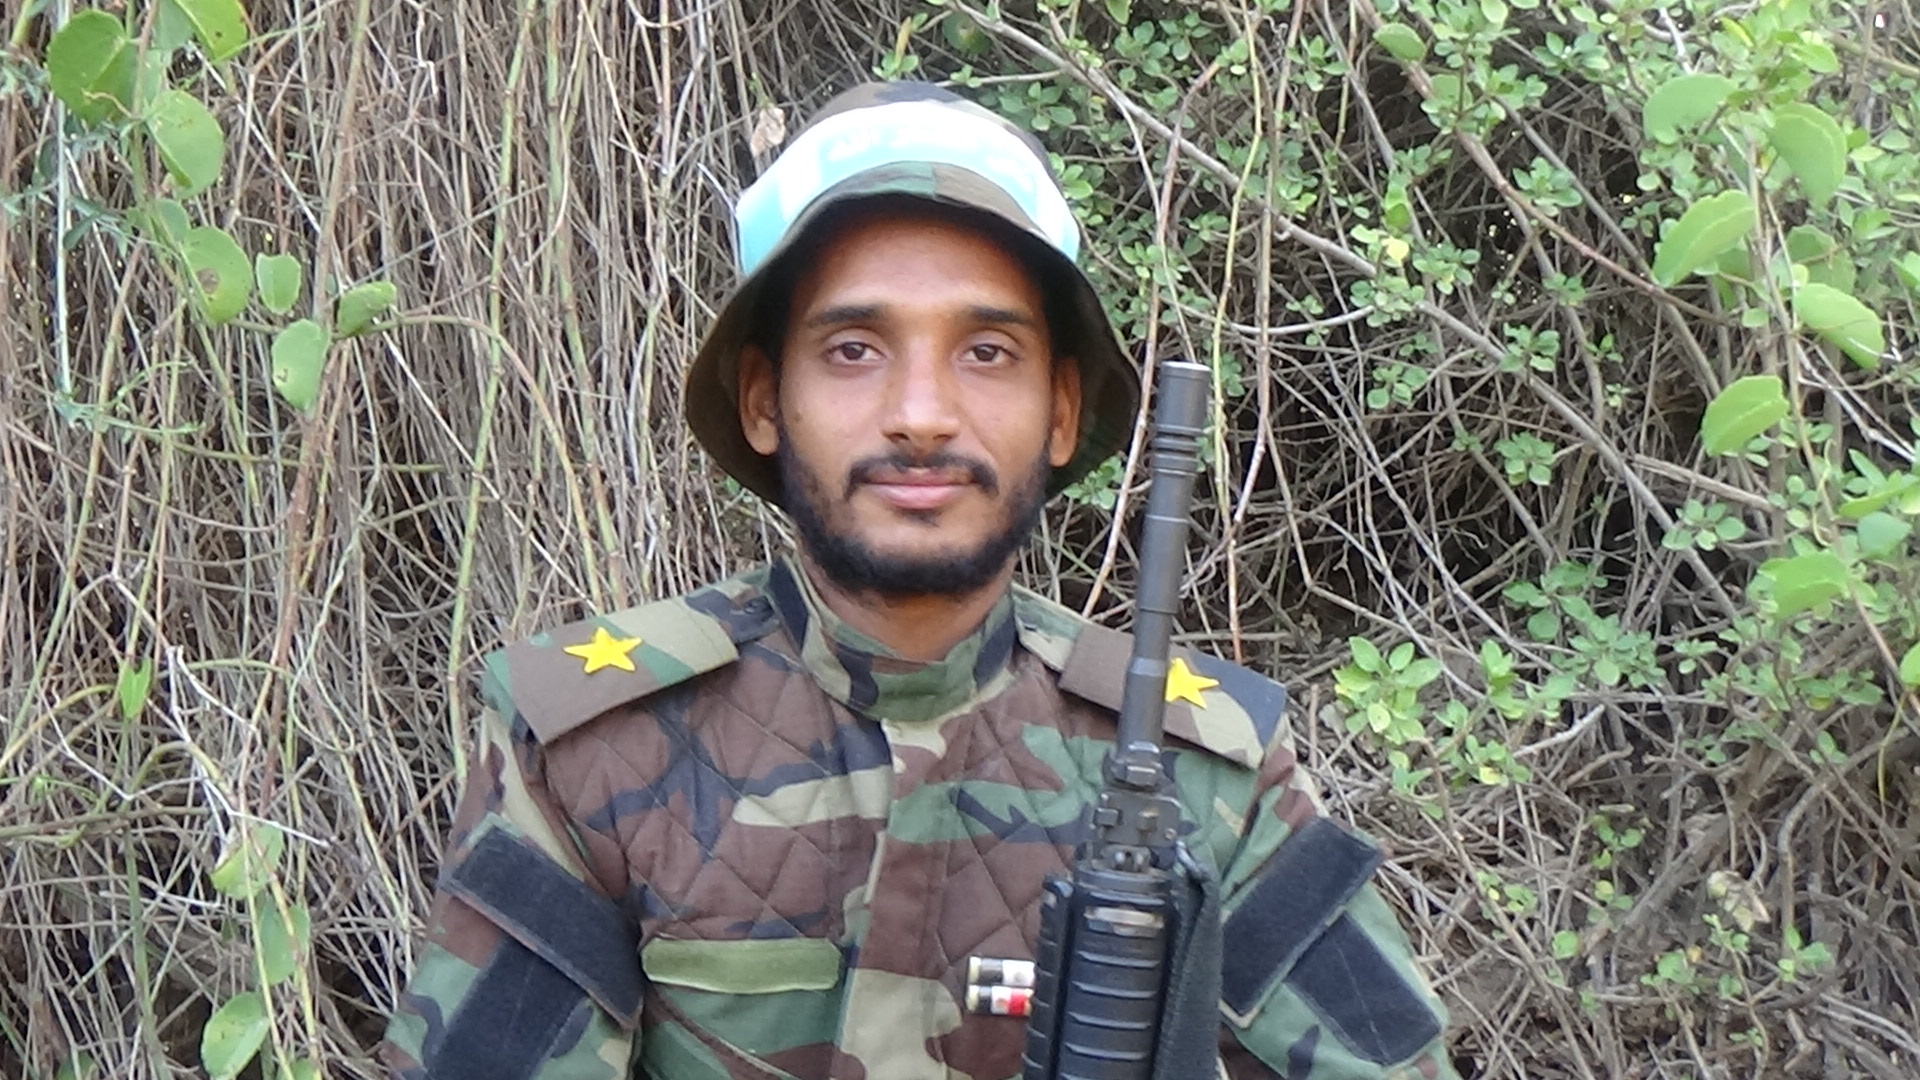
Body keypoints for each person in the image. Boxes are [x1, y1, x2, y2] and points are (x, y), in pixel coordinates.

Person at [380, 82, 1458, 1080]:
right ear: (763, 399)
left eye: (987, 352)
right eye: (854, 349)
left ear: (1062, 411)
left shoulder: (1209, 770)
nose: (922, 415)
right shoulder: (589, 748)